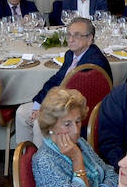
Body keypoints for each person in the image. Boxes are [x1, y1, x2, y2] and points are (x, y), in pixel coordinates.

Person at [13, 18, 110, 146]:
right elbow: (56, 80)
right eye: (69, 34)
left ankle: (43, 163)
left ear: (90, 38)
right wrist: (38, 104)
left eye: (77, 35)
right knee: (21, 113)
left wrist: (45, 109)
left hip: (77, 110)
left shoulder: (93, 62)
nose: (70, 39)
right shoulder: (71, 54)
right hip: (61, 103)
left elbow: (74, 97)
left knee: (40, 122)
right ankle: (24, 160)